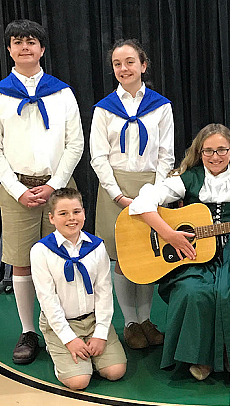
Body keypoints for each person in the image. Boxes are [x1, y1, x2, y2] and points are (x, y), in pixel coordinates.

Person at [128, 123, 230, 382]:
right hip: (193, 251)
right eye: (208, 151)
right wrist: (168, 234)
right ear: (200, 153)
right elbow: (143, 202)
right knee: (193, 292)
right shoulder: (188, 178)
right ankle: (200, 357)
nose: (215, 156)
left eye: (221, 150)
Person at [0, 19, 84, 364]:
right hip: (17, 191)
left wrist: (55, 185)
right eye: (17, 42)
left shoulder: (62, 92)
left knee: (66, 257)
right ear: (9, 49)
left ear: (42, 49)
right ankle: (29, 331)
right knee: (23, 264)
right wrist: (16, 189)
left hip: (60, 188)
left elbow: (75, 144)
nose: (24, 47)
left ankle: (67, 324)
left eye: (31, 42)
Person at [90, 39, 174, 349]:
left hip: (149, 187)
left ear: (143, 65)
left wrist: (156, 193)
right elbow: (98, 157)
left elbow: (166, 154)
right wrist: (117, 194)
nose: (123, 68)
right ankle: (129, 322)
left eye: (129, 62)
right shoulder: (104, 109)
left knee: (148, 254)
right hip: (115, 188)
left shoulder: (161, 106)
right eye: (117, 64)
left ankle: (147, 318)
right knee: (122, 258)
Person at [30, 188, 126, 390]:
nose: (71, 218)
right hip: (62, 322)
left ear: (83, 212)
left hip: (93, 320)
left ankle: (89, 352)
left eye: (76, 212)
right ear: (52, 218)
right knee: (79, 382)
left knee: (115, 371)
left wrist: (100, 334)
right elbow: (47, 300)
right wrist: (69, 339)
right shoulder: (41, 251)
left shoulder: (97, 246)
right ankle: (56, 349)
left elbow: (104, 293)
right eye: (63, 213)